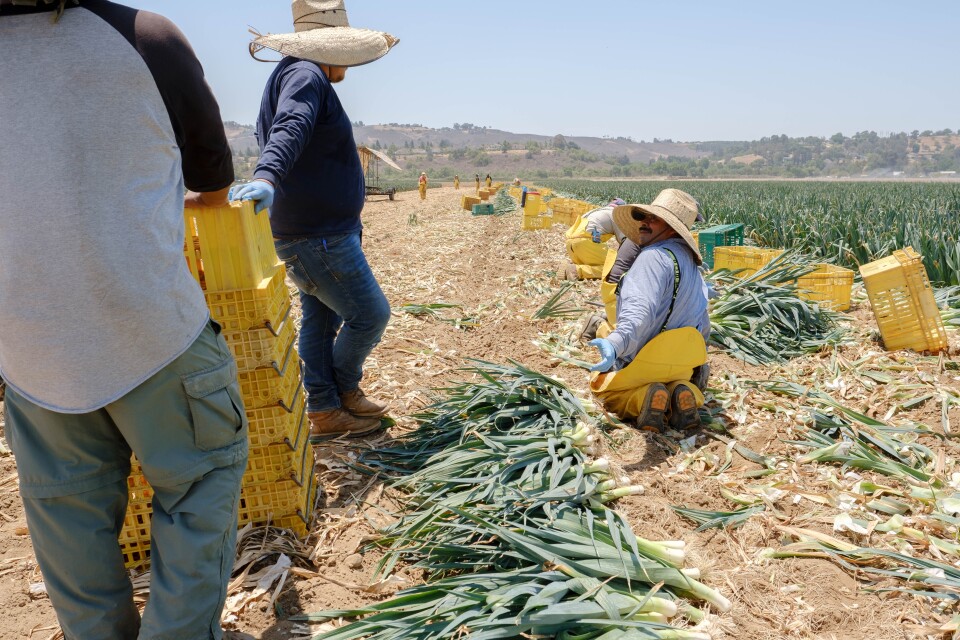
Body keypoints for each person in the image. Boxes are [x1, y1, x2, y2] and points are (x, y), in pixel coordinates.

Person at [0, 1, 247, 638]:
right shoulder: (145, 39)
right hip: (152, 332)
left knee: (69, 523)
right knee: (199, 491)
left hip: (30, 350)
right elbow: (212, 183)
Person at [233, 0, 398, 440]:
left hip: (316, 232)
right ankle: (342, 390)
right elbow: (291, 126)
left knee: (321, 321)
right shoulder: (306, 75)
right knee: (370, 316)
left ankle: (326, 410)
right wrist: (267, 176)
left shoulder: (289, 75)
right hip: (318, 238)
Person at [587, 189, 710, 433]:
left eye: (653, 218)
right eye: (644, 216)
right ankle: (681, 391)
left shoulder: (652, 258)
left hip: (646, 360)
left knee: (603, 390)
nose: (644, 223)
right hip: (682, 362)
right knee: (674, 380)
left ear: (673, 228)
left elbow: (639, 311)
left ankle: (645, 398)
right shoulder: (692, 265)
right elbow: (703, 322)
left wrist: (616, 343)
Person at [562, 198, 626, 281]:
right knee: (613, 268)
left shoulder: (598, 211)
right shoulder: (617, 215)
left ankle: (571, 268)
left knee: (593, 265)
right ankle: (577, 270)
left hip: (570, 243)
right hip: (587, 242)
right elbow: (624, 242)